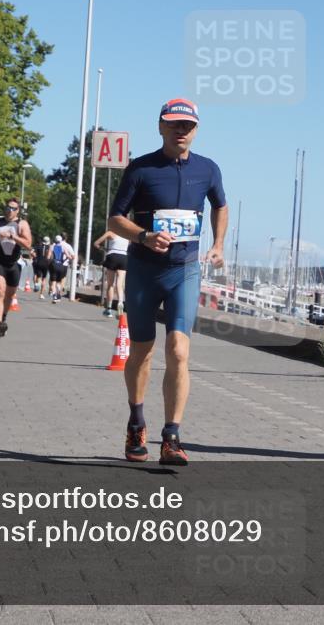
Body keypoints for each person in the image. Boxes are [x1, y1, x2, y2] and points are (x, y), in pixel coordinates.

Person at [108, 98, 227, 466]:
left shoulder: (208, 169)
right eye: (174, 124)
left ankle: (172, 435)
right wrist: (143, 236)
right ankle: (136, 420)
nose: (181, 130)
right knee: (141, 351)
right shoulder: (141, 169)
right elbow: (114, 220)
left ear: (196, 129)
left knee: (178, 351)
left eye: (187, 125)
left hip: (184, 271)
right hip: (144, 270)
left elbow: (220, 205)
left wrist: (219, 244)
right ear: (160, 126)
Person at [0, 198, 32, 337]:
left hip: (15, 263)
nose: (10, 210)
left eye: (13, 208)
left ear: (18, 211)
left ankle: (3, 316)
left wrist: (13, 236)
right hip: (0, 262)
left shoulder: (22, 224)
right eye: (8, 207)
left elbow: (28, 244)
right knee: (0, 292)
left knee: (9, 295)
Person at [93, 230, 129, 317]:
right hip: (124, 257)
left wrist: (102, 248)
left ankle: (108, 309)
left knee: (110, 284)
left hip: (112, 256)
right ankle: (120, 304)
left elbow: (96, 243)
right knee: (120, 285)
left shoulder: (111, 233)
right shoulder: (127, 234)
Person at [48, 234, 74, 303]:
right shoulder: (63, 247)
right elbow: (69, 256)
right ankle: (58, 294)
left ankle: (54, 296)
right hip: (61, 265)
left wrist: (49, 262)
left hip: (54, 264)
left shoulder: (52, 246)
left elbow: (48, 257)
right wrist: (65, 261)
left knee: (53, 282)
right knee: (59, 282)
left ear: (55, 240)